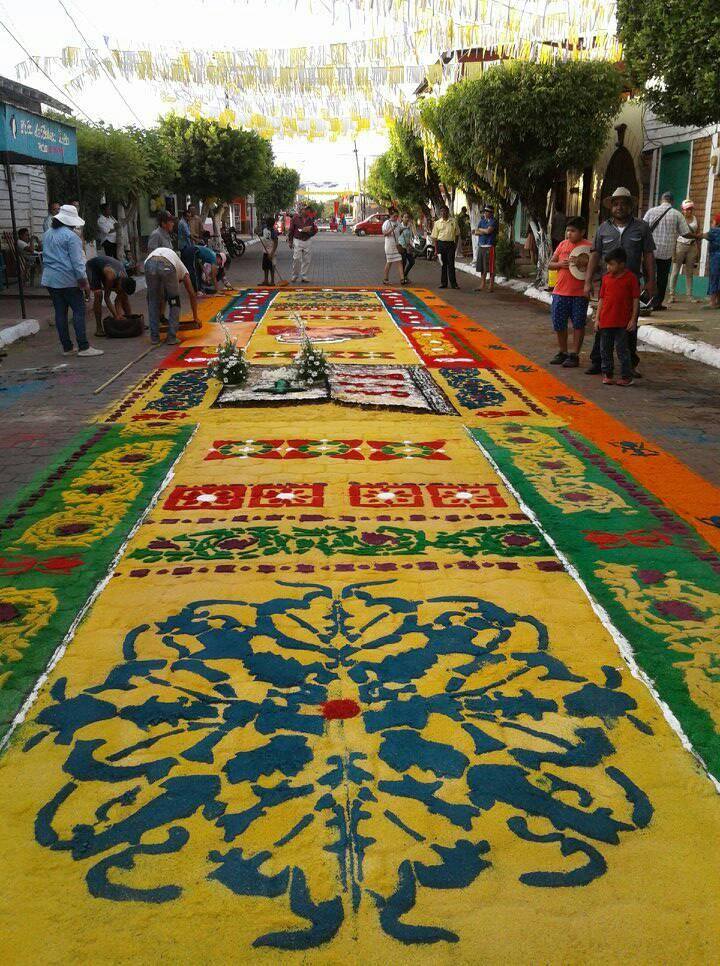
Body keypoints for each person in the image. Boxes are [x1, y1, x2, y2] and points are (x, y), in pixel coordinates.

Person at [584, 186, 655, 377]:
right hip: (608, 286)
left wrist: (651, 281)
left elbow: (648, 255)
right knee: (602, 324)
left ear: (630, 206)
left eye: (623, 203)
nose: (619, 207)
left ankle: (630, 364)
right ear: (611, 207)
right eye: (615, 204)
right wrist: (587, 281)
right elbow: (594, 254)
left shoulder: (641, 227)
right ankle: (598, 362)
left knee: (630, 326)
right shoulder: (603, 228)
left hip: (631, 285)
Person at [41, 204, 103, 357]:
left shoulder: (48, 233)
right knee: (78, 311)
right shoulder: (71, 237)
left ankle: (67, 347)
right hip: (68, 279)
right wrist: (84, 283)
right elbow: (77, 263)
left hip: (50, 279)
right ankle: (83, 346)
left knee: (60, 313)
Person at [547, 217, 591, 368]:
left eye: (573, 231)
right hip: (560, 291)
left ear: (582, 232)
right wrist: (560, 264)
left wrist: (582, 263)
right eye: (567, 230)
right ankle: (562, 352)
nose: (569, 234)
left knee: (578, 324)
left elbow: (595, 268)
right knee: (559, 324)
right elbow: (550, 264)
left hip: (579, 293)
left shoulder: (588, 247)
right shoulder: (562, 245)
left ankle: (574, 354)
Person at [595, 247, 639, 387]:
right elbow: (601, 299)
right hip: (606, 320)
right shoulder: (606, 279)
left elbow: (635, 300)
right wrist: (597, 318)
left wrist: (633, 319)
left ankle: (626, 376)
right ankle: (607, 373)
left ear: (622, 264)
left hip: (622, 322)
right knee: (605, 349)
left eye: (611, 264)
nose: (608, 267)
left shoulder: (631, 278)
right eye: (607, 264)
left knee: (622, 350)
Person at [144, 246, 199, 346]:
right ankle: (171, 337)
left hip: (149, 263)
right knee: (174, 301)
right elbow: (192, 293)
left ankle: (154, 337)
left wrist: (161, 316)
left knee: (152, 300)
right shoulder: (183, 271)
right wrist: (196, 317)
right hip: (166, 264)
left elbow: (160, 296)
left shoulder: (171, 259)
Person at [643, 192, 690, 309]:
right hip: (666, 253)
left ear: (661, 200)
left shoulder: (651, 211)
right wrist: (699, 236)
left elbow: (642, 228)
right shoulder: (677, 214)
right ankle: (657, 303)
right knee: (662, 278)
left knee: (649, 276)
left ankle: (647, 301)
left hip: (650, 252)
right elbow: (685, 233)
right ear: (672, 202)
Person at [86, 254, 136, 337]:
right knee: (99, 295)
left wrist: (120, 316)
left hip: (105, 267)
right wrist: (116, 316)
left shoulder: (125, 278)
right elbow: (107, 298)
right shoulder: (110, 277)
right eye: (120, 289)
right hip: (93, 267)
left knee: (124, 297)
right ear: (120, 283)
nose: (119, 291)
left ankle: (130, 321)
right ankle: (99, 328)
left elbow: (117, 301)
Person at [667, 199, 701, 303]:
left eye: (690, 209)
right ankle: (671, 294)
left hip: (692, 246)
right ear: (682, 210)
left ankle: (689, 295)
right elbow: (673, 236)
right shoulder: (679, 219)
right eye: (686, 209)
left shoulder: (696, 219)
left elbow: (697, 235)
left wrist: (698, 251)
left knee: (689, 272)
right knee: (675, 271)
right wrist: (673, 252)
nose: (689, 211)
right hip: (680, 246)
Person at [288, 204, 318, 283]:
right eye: (306, 209)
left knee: (307, 259)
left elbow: (314, 230)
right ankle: (294, 275)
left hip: (307, 240)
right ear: (301, 210)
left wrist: (309, 232)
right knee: (296, 258)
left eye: (308, 209)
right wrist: (290, 241)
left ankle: (304, 276)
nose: (307, 211)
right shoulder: (295, 218)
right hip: (297, 240)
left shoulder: (310, 219)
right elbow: (291, 230)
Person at [432, 206, 459, 288]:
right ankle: (444, 283)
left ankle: (454, 284)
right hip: (441, 245)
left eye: (445, 211)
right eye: (442, 212)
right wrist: (436, 250)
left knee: (451, 264)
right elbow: (435, 238)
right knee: (443, 264)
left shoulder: (453, 221)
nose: (443, 213)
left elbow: (457, 234)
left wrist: (455, 245)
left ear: (448, 212)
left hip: (450, 245)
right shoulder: (437, 223)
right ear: (440, 213)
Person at [473, 204, 498, 292]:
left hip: (489, 246)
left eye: (487, 212)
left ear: (491, 213)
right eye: (485, 211)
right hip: (481, 246)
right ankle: (482, 284)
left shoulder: (494, 221)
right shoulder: (482, 221)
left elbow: (489, 231)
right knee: (482, 267)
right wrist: (483, 231)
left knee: (490, 267)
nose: (485, 213)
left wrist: (481, 230)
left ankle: (491, 285)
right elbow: (475, 232)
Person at [701, 213, 720, 310]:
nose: (711, 224)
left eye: (712, 222)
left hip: (715, 258)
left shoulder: (714, 232)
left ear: (716, 223)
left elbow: (702, 236)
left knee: (714, 279)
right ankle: (718, 302)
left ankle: (712, 302)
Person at [382, 208, 403, 285]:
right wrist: (392, 229)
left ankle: (402, 279)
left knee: (399, 261)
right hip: (389, 245)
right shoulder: (386, 223)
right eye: (394, 216)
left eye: (397, 216)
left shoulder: (398, 222)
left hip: (396, 245)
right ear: (391, 215)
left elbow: (400, 231)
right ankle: (385, 278)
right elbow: (384, 234)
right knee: (389, 262)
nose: (396, 218)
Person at [260, 216, 279, 285]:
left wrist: (272, 253)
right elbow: (260, 233)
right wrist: (257, 232)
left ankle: (272, 281)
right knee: (265, 267)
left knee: (272, 267)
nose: (269, 227)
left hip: (272, 251)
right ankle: (266, 280)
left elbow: (276, 243)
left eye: (270, 226)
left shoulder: (273, 232)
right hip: (265, 251)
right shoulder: (264, 229)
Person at [398, 213, 416, 285]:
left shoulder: (409, 226)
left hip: (408, 246)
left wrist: (411, 244)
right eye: (405, 217)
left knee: (412, 261)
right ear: (402, 218)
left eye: (408, 217)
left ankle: (404, 275)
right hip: (401, 246)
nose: (407, 219)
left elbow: (411, 236)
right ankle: (402, 279)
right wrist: (406, 227)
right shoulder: (400, 226)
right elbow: (398, 233)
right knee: (404, 262)